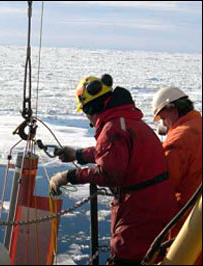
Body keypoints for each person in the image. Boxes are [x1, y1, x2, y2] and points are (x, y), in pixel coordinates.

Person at [49, 74, 177, 265]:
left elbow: (110, 173)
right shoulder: (128, 121)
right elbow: (114, 154)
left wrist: (69, 176)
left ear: (91, 108)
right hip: (154, 205)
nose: (88, 120)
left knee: (126, 256)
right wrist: (78, 155)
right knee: (148, 256)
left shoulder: (113, 128)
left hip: (139, 211)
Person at [152, 87, 202, 264]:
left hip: (187, 223)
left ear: (173, 109)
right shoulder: (197, 125)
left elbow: (163, 187)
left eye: (164, 118)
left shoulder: (178, 141)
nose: (164, 124)